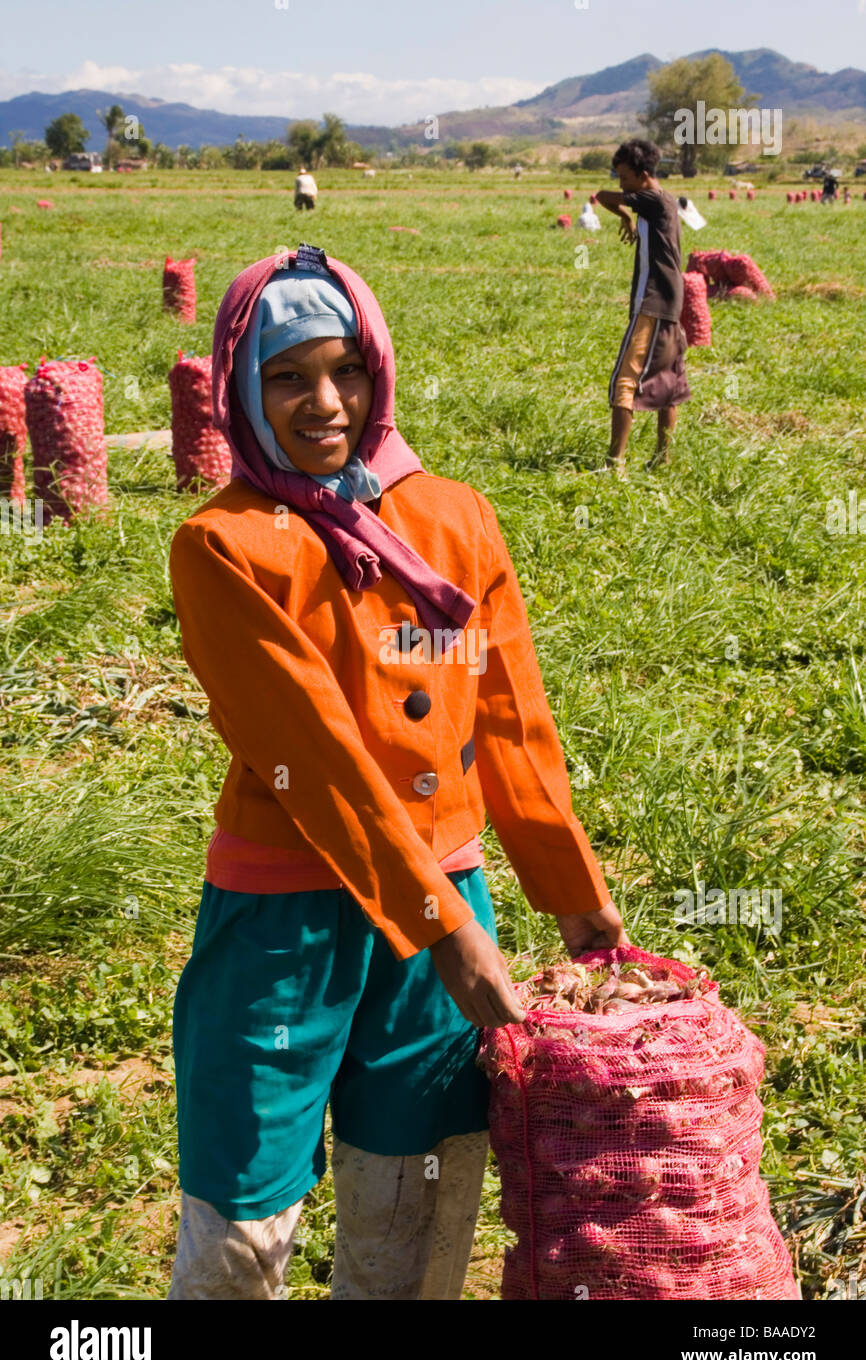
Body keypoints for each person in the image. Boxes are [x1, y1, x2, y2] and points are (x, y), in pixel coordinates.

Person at [166, 243, 626, 1300]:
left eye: (345, 370)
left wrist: (573, 895)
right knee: (242, 1222)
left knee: (417, 1206)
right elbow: (310, 753)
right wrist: (444, 926)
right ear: (242, 386)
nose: (322, 402)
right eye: (286, 377)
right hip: (284, 925)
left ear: (377, 368)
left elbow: (510, 722)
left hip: (441, 909)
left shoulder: (451, 517)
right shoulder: (225, 543)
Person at [596, 139, 690, 471]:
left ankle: (614, 463)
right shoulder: (664, 201)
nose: (619, 183)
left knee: (625, 380)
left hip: (650, 300)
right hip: (671, 300)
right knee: (670, 382)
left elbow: (602, 197)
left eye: (623, 176)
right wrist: (628, 217)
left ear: (643, 174)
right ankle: (663, 458)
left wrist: (624, 214)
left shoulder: (651, 199)